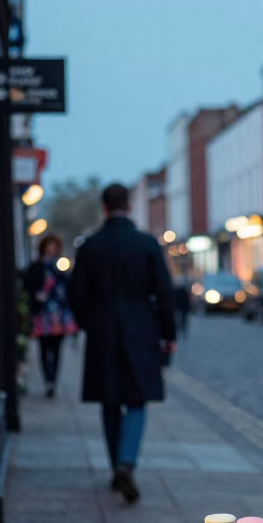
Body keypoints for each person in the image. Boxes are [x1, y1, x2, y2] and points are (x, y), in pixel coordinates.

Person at [68, 182, 176, 502]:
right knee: (137, 400)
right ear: (128, 206)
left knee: (109, 399)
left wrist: (89, 322)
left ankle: (116, 465)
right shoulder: (146, 244)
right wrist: (168, 334)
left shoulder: (89, 246)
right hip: (141, 328)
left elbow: (75, 294)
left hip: (102, 330)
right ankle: (127, 463)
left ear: (103, 207)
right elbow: (164, 293)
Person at [23, 233, 78, 398]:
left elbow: (69, 287)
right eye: (49, 246)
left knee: (57, 349)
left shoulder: (60, 267)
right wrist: (36, 295)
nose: (51, 250)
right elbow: (29, 285)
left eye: (54, 247)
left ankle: (53, 380)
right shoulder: (37, 267)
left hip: (58, 314)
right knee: (44, 348)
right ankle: (47, 379)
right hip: (43, 313)